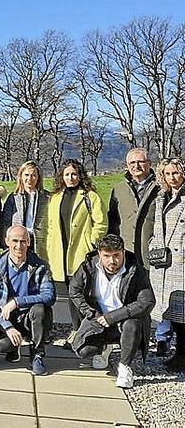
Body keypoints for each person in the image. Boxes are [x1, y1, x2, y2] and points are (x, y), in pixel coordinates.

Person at [70, 234, 155, 388]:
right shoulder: (87, 267)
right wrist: (91, 313)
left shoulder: (135, 270)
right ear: (99, 254)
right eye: (106, 256)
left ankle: (124, 367)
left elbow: (147, 301)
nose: (112, 261)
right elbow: (74, 291)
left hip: (125, 320)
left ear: (123, 252)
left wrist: (113, 316)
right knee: (83, 351)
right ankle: (104, 348)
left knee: (132, 325)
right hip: (99, 318)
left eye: (116, 255)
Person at [107, 149, 162, 350]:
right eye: (132, 163)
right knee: (125, 298)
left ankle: (145, 343)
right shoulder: (119, 188)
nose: (136, 166)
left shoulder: (160, 187)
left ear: (149, 163)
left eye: (141, 162)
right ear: (126, 165)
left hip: (152, 254)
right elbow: (113, 221)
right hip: (126, 253)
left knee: (147, 300)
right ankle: (126, 340)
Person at [0, 225, 56, 376]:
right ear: (6, 241)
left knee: (40, 310)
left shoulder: (40, 266)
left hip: (28, 317)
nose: (19, 246)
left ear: (29, 242)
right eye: (15, 241)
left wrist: (17, 301)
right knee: (2, 346)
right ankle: (13, 346)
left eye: (23, 241)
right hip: (7, 318)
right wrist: (7, 327)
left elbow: (49, 296)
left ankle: (37, 354)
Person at [46, 158, 108, 330]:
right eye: (67, 174)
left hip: (81, 252)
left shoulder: (90, 196)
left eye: (74, 174)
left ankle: (83, 330)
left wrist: (91, 243)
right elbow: (50, 226)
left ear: (80, 176)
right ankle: (76, 330)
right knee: (70, 294)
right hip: (60, 254)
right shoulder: (55, 198)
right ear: (61, 176)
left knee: (81, 294)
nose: (70, 178)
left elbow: (101, 223)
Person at [148, 157, 185, 366]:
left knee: (182, 311)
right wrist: (153, 244)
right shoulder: (161, 196)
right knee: (171, 310)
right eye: (168, 173)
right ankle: (178, 353)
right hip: (163, 261)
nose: (172, 178)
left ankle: (182, 354)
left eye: (176, 173)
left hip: (181, 262)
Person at [0, 161, 50, 261]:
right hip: (19, 240)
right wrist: (5, 243)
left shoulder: (47, 197)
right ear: (21, 176)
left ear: (38, 177)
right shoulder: (13, 197)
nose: (29, 178)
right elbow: (6, 221)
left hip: (39, 241)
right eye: (26, 175)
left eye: (33, 175)